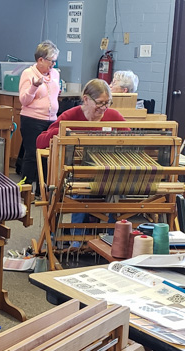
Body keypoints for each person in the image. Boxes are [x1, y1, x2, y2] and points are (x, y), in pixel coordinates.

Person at [37, 79, 126, 249]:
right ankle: (78, 241)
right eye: (99, 103)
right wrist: (62, 132)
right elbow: (40, 141)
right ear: (86, 99)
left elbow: (131, 140)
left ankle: (113, 238)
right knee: (80, 192)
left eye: (107, 103)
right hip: (76, 175)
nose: (104, 108)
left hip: (106, 174)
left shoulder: (113, 117)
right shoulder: (71, 116)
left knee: (119, 190)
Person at [18, 40, 61, 193]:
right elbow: (24, 100)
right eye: (51, 61)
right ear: (40, 59)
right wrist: (34, 86)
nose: (53, 65)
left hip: (51, 120)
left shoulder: (55, 74)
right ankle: (26, 190)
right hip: (32, 120)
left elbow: (54, 93)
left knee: (47, 155)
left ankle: (41, 192)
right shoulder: (28, 74)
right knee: (32, 154)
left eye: (55, 61)